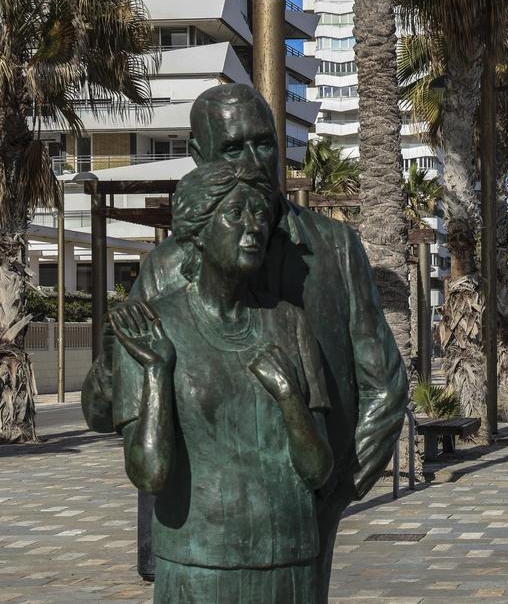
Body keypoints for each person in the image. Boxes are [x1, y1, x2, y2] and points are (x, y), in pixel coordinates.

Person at [81, 84, 408, 598]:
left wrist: (336, 491)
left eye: (264, 144)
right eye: (233, 148)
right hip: (203, 536)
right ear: (198, 157)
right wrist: (110, 359)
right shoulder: (166, 267)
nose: (253, 161)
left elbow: (384, 386)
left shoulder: (334, 249)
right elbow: (105, 412)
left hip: (304, 514)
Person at [111, 161, 332, 601]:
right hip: (199, 560)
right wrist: (157, 373)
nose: (253, 228)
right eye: (235, 214)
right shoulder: (151, 327)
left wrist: (288, 395)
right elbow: (149, 474)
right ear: (198, 228)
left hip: (290, 556)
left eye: (260, 215)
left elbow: (318, 469)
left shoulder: (290, 324)